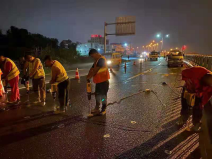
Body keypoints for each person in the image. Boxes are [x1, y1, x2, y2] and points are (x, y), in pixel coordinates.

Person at [177, 66, 212, 132]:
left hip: (199, 94)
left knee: (198, 107)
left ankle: (196, 123)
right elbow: (183, 72)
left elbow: (206, 97)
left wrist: (201, 104)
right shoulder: (198, 70)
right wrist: (187, 79)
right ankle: (184, 116)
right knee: (184, 103)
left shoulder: (210, 87)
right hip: (188, 89)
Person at [87, 49, 110, 115]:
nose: (92, 58)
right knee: (97, 95)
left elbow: (95, 71)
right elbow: (91, 69)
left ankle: (103, 109)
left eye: (93, 56)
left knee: (103, 96)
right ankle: (97, 108)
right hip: (99, 82)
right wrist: (88, 76)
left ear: (96, 53)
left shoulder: (101, 60)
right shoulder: (96, 61)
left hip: (104, 82)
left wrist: (89, 77)